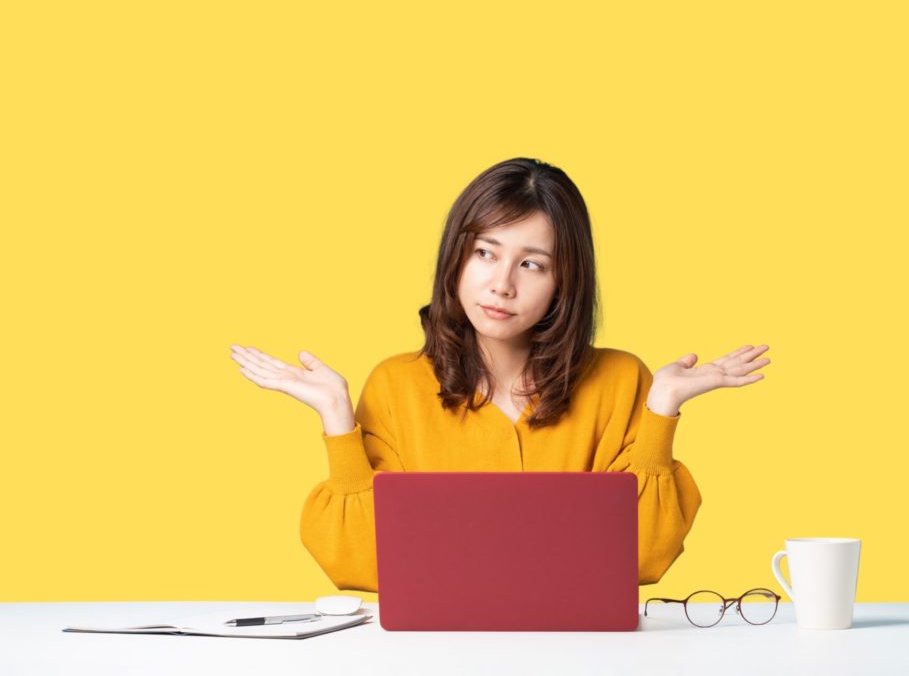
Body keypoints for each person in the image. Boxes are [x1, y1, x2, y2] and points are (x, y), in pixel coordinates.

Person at [230, 157, 770, 592]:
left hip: (582, 653)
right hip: (439, 653)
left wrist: (663, 409)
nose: (501, 284)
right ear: (456, 260)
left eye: (532, 263)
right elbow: (361, 566)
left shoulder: (621, 380)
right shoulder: (396, 386)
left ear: (565, 281)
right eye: (485, 253)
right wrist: (337, 423)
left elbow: (642, 559)